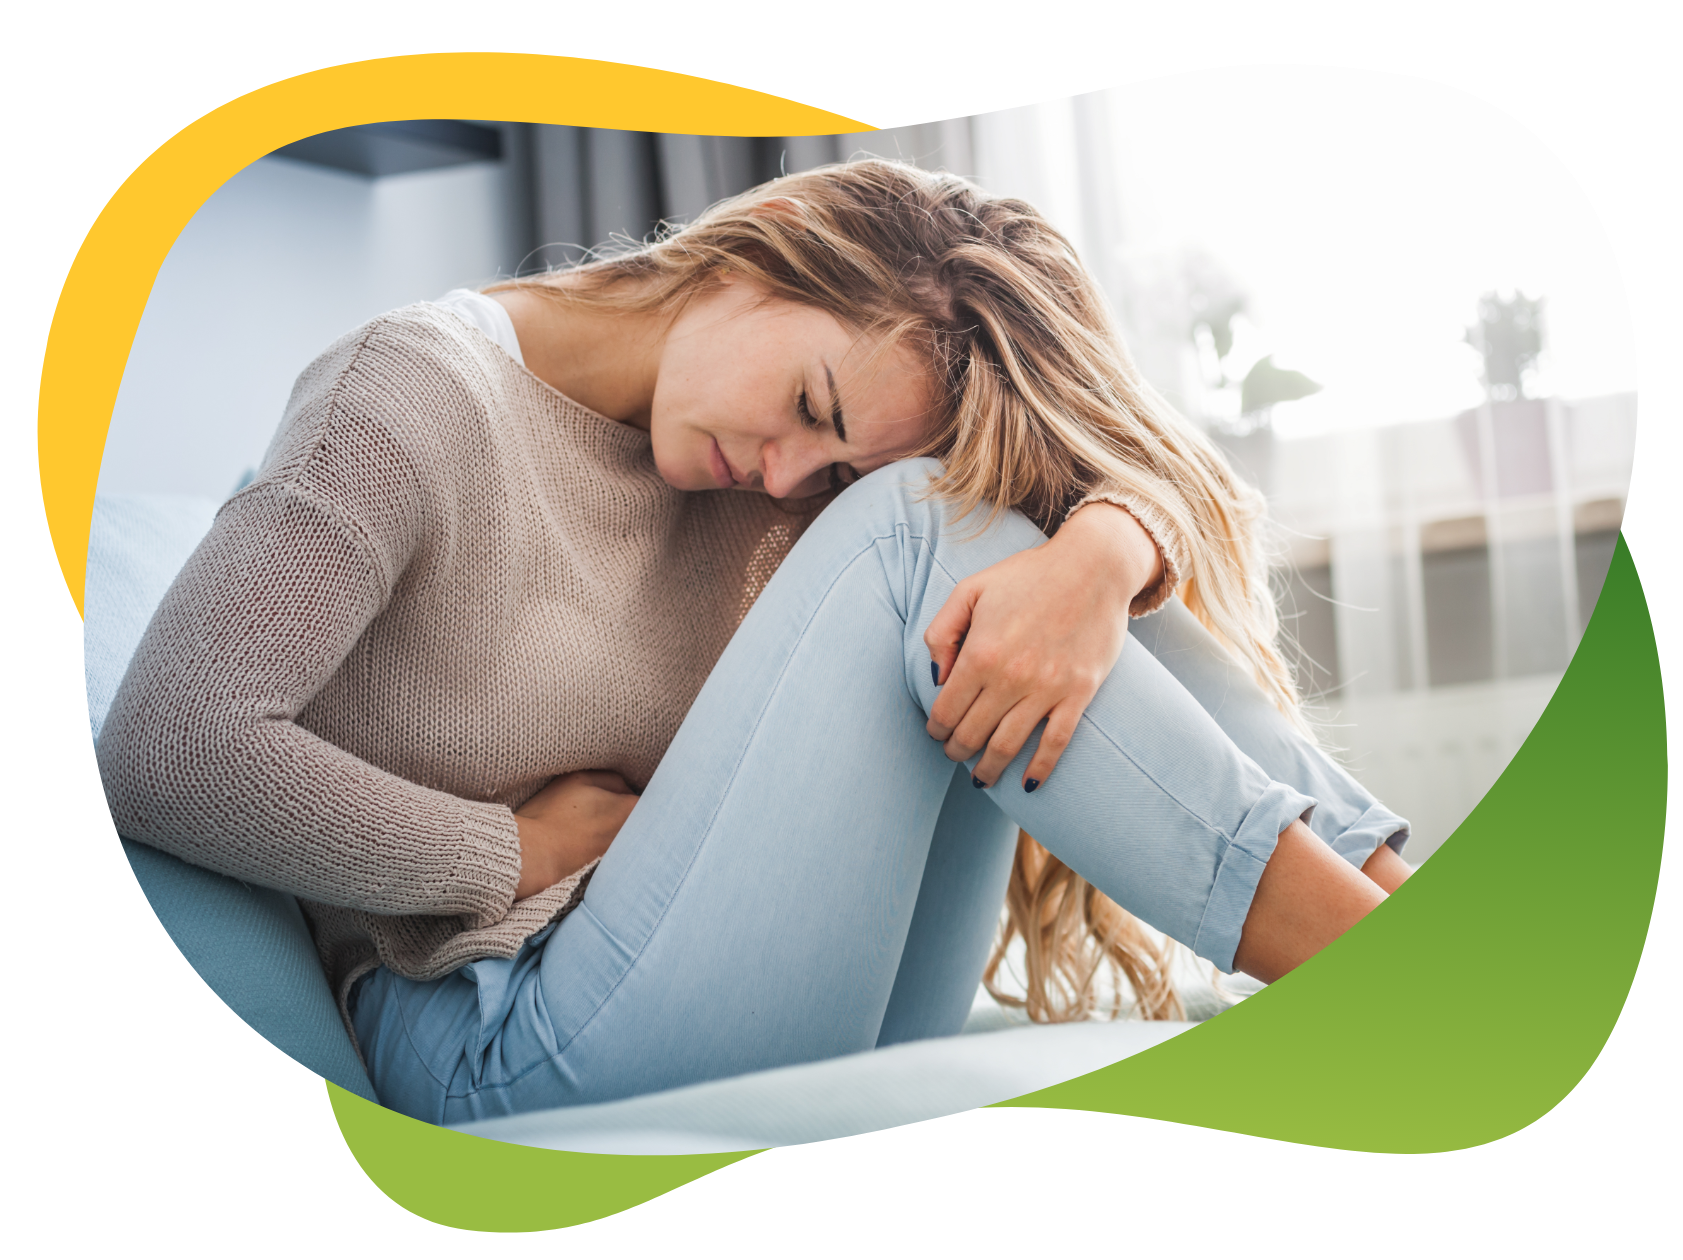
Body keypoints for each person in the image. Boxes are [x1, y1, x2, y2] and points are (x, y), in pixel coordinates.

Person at [95, 159, 1411, 1125]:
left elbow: (1119, 479)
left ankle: (1396, 924)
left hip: (753, 986)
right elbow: (167, 746)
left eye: (828, 457)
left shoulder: (776, 484)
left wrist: (1097, 552)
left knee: (993, 523)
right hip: (497, 1039)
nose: (785, 477)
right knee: (921, 529)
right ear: (765, 243)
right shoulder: (406, 399)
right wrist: (512, 848)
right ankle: (1392, 978)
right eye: (808, 404)